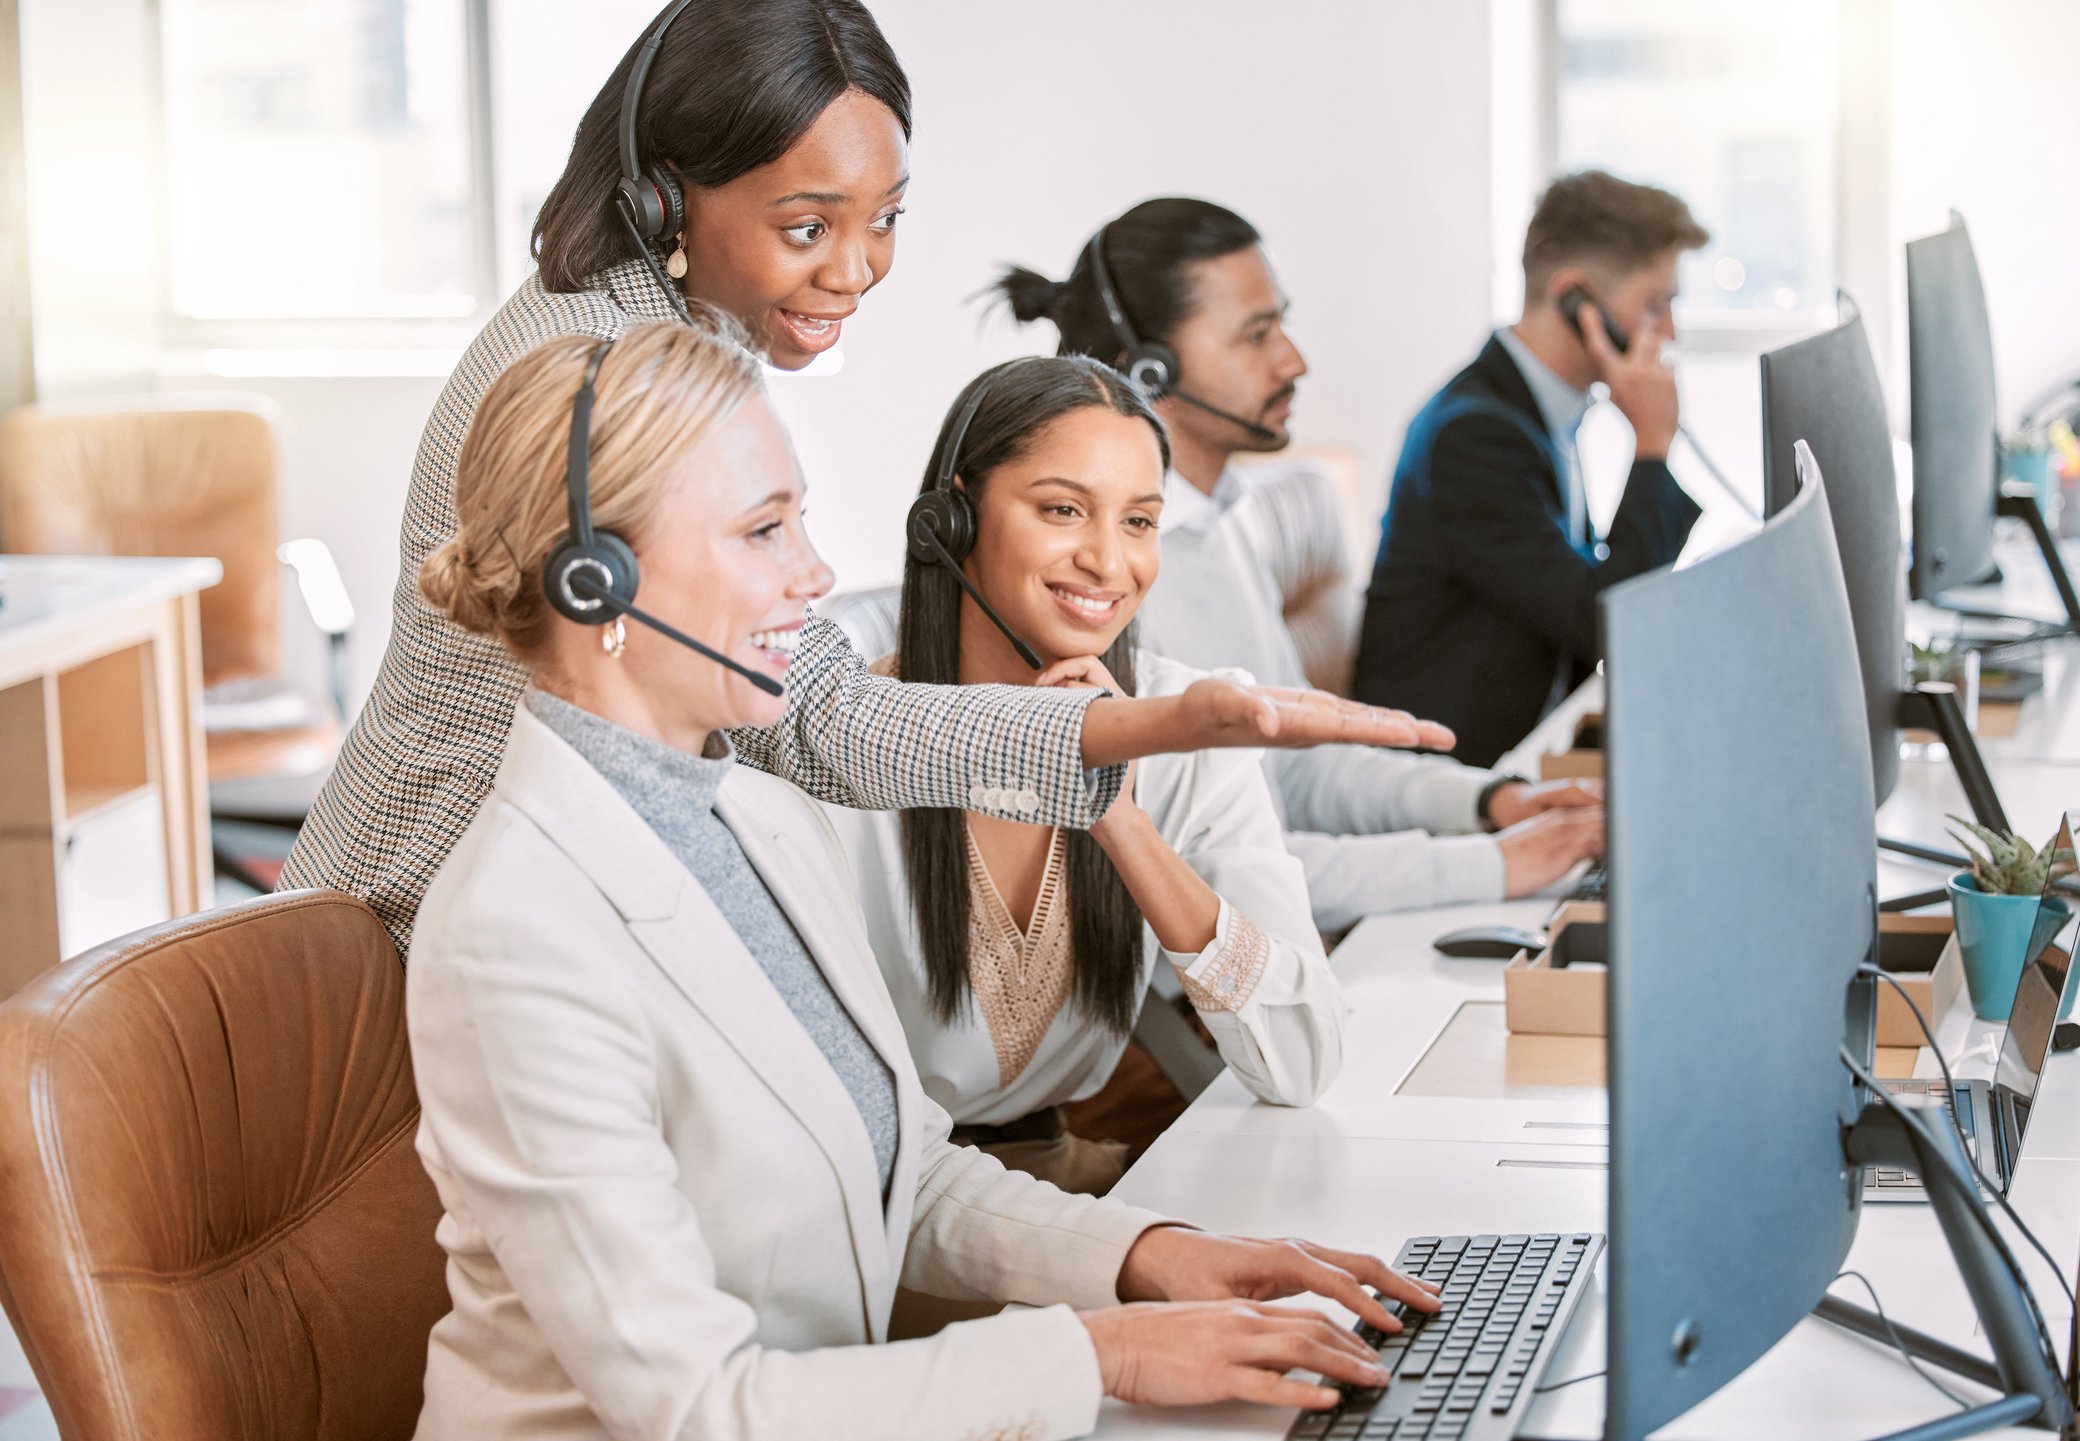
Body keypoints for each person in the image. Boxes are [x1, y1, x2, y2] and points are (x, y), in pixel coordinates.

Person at [408, 318, 1439, 1439]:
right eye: (764, 529)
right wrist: (1108, 1351)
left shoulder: (750, 815)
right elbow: (700, 1405)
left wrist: (1152, 1257)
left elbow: (906, 1169)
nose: (813, 575)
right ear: (597, 576)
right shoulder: (518, 930)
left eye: (800, 520)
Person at [280, 0, 1451, 954]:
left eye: (884, 217)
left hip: (542, 898)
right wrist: (1136, 727)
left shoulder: (663, 321)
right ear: (664, 192)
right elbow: (819, 717)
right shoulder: (606, 381)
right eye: (807, 227)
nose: (857, 269)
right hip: (415, 927)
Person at [993, 199, 1603, 930]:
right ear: (1147, 368)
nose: (1294, 360)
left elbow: (1297, 766)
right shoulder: (1108, 580)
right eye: (1257, 334)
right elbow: (1215, 868)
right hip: (1188, 1003)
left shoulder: (1218, 523)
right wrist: (1497, 864)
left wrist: (1487, 803)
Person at [825, 356, 1340, 1200]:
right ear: (952, 519)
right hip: (880, 1216)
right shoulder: (843, 739)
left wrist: (1121, 819)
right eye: (1063, 510)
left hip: (1065, 1187)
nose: (1109, 561)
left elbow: (1303, 1059)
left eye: (1140, 521)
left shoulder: (1187, 718)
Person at [1352, 170, 1710, 767]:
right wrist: (1652, 443)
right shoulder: (1475, 435)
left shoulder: (1535, 412)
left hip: (1527, 746)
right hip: (1450, 778)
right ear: (1576, 298)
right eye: (1656, 304)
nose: (1669, 332)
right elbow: (1609, 625)